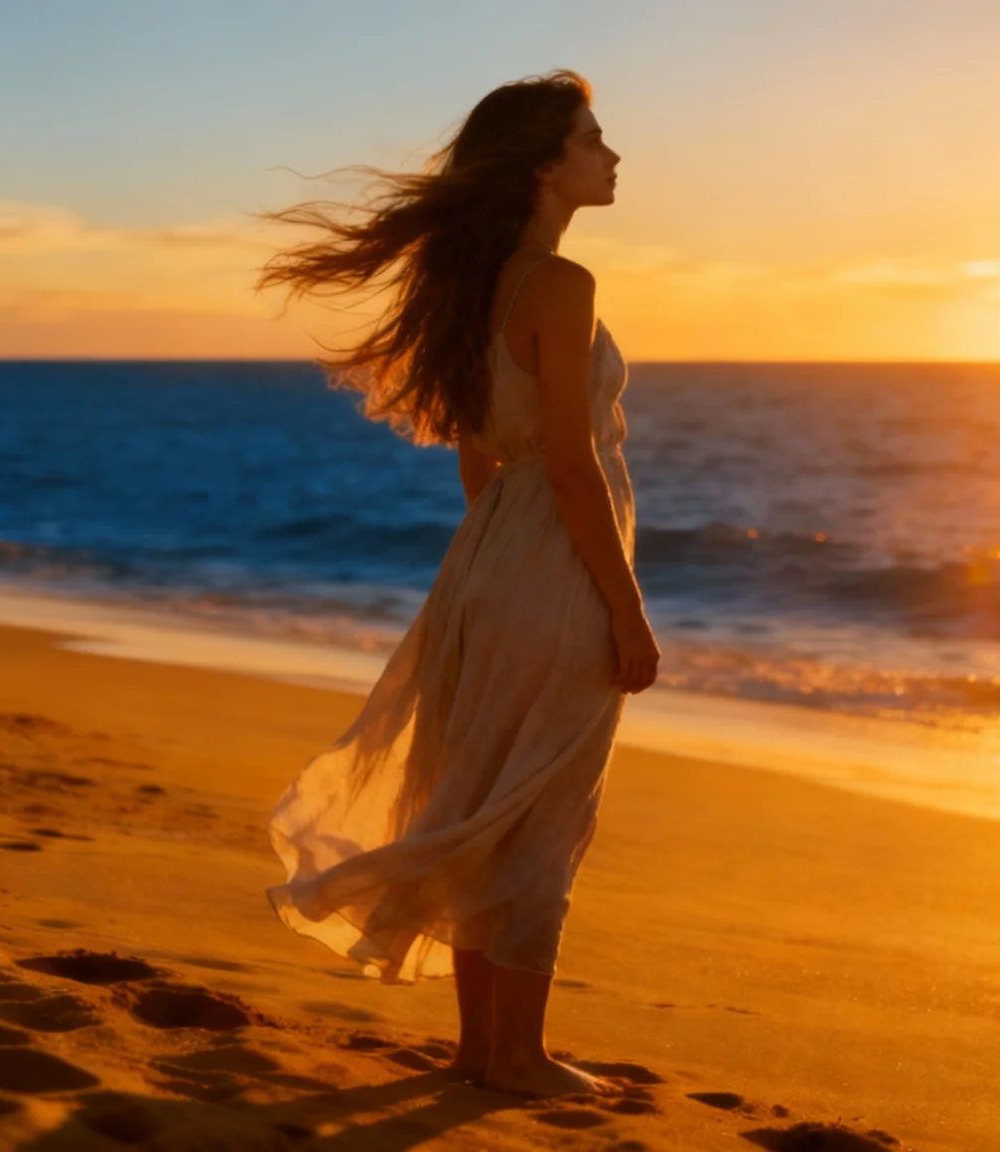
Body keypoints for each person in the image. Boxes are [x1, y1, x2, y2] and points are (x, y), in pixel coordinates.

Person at [253, 68, 658, 1100]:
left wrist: (496, 560)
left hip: (488, 558)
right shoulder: (559, 285)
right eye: (592, 138)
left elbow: (482, 455)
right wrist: (625, 610)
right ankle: (516, 1056)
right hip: (551, 566)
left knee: (485, 795)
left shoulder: (475, 288)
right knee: (539, 810)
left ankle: (479, 1050)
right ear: (543, 164)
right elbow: (572, 464)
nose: (611, 155)